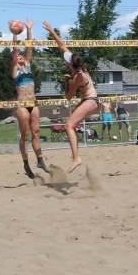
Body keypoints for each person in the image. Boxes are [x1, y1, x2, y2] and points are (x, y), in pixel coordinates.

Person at [43, 21, 99, 173]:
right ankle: (76, 157)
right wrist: (51, 30)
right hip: (87, 100)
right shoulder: (77, 66)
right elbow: (61, 44)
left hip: (91, 101)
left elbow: (68, 97)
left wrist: (66, 81)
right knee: (71, 126)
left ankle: (76, 158)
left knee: (68, 126)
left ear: (70, 64)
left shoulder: (77, 77)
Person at [11, 19, 48, 178]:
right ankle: (26, 164)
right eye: (17, 55)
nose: (19, 56)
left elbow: (29, 47)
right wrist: (14, 34)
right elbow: (15, 49)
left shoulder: (28, 65)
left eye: (21, 55)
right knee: (24, 135)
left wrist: (29, 29)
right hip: (21, 105)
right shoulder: (15, 69)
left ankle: (40, 160)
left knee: (37, 133)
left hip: (33, 102)